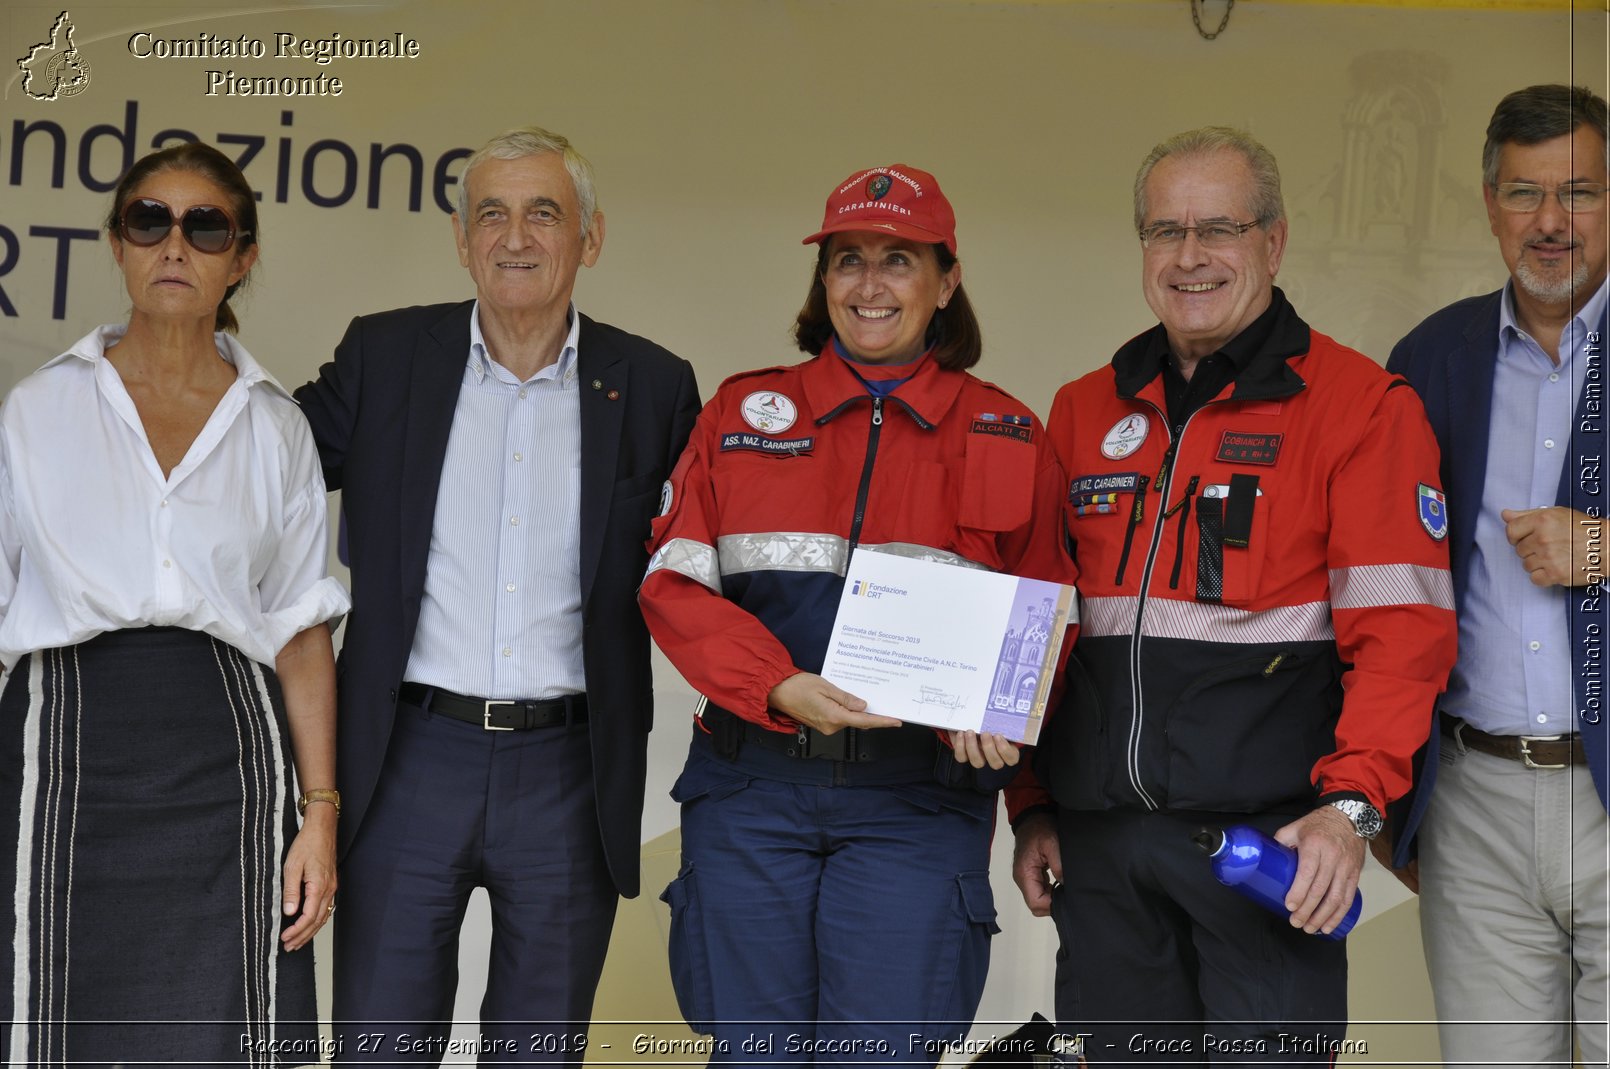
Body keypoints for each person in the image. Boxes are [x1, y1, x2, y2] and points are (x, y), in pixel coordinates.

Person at [1008, 127, 1457, 1062]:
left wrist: (1351, 811)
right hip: (1104, 857)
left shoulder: (1360, 406)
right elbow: (1040, 622)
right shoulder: (1084, 408)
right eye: (1165, 230)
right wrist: (1033, 802)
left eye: (1220, 226)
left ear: (1274, 241)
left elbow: (1404, 636)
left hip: (1268, 854)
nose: (1190, 255)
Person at [640, 163, 1076, 1064]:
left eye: (898, 259)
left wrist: (1000, 708)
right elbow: (674, 583)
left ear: (946, 281)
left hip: (916, 802)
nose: (870, 284)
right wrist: (779, 684)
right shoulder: (738, 415)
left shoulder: (1008, 432)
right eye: (848, 259)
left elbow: (1051, 608)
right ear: (823, 279)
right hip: (753, 788)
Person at [294, 126, 699, 1066]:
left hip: (569, 771)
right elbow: (256, 467)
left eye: (543, 213)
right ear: (461, 236)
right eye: (492, 214)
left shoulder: (652, 385)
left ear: (589, 240)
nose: (515, 236)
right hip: (405, 761)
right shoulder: (385, 355)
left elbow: (708, 551)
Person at [0, 141, 348, 1063]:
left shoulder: (277, 425)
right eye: (150, 220)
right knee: (47, 1016)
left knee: (226, 1028)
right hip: (58, 742)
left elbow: (302, 631)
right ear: (117, 242)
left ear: (242, 258)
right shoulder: (36, 410)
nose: (174, 246)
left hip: (227, 754)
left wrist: (319, 814)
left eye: (205, 227)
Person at [1386, 84, 1609, 1067]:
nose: (1549, 222)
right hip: (1474, 797)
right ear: (1487, 207)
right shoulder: (1429, 358)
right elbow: (1382, 586)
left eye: (1578, 193)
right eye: (1523, 194)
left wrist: (1602, 551)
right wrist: (1394, 801)